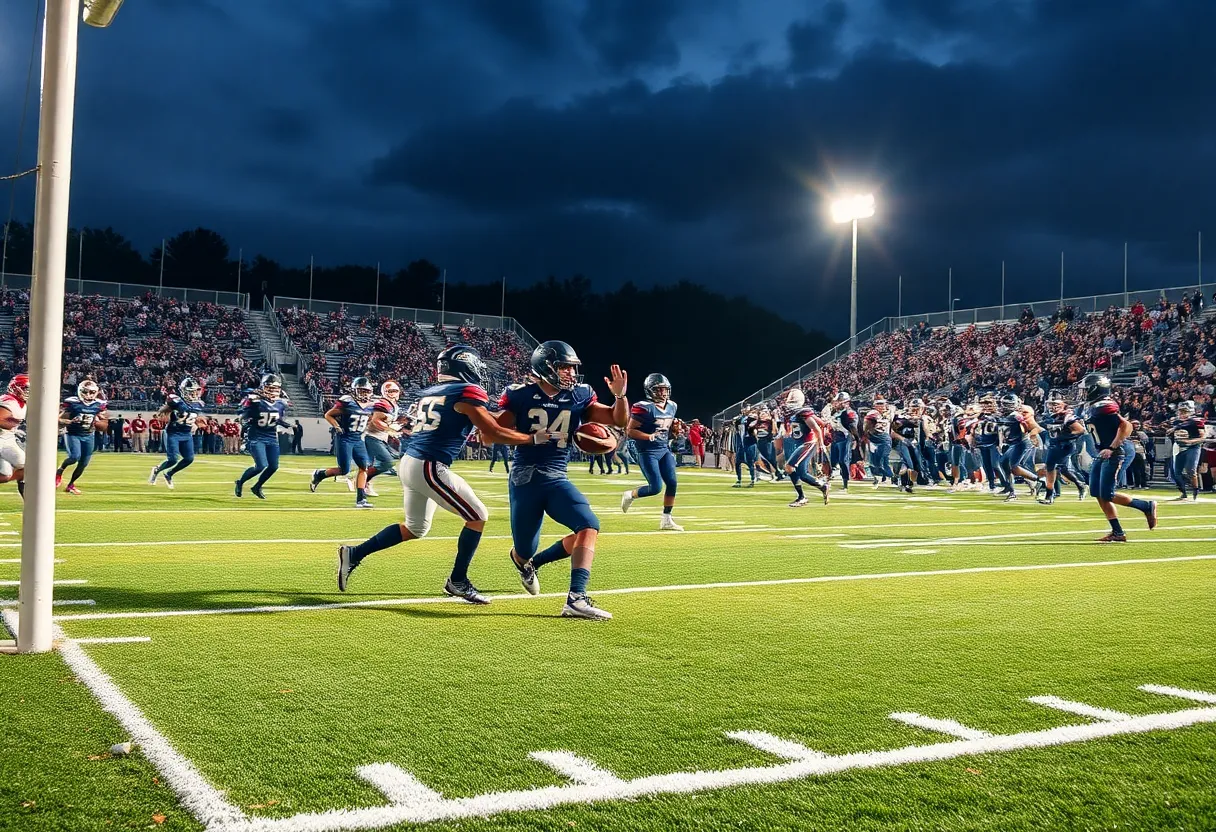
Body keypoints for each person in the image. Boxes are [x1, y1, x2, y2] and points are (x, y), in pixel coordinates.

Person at [337, 345, 548, 602]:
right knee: (478, 516)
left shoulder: (432, 391)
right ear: (464, 365)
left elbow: (482, 418)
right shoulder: (467, 390)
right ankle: (458, 580)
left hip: (411, 461)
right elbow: (490, 432)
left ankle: (354, 553)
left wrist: (513, 415)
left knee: (416, 528)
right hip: (429, 464)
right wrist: (531, 438)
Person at [497, 340, 629, 620]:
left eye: (572, 367)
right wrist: (530, 438)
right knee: (524, 549)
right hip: (525, 478)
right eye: (564, 367)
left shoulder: (580, 395)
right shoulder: (520, 395)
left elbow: (617, 420)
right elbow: (492, 434)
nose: (570, 373)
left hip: (557, 477)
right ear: (545, 367)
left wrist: (620, 397)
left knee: (589, 524)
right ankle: (525, 561)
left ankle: (576, 598)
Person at [1080, 373, 1157, 542]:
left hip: (1114, 452)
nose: (1084, 392)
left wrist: (1112, 447)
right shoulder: (1093, 405)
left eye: (1087, 389)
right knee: (1097, 492)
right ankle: (1118, 532)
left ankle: (1145, 506)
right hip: (1102, 453)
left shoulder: (1105, 404)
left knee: (1107, 493)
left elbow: (1126, 425)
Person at [621, 373, 683, 531]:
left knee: (672, 483)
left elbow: (664, 428)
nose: (662, 393)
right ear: (650, 391)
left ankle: (666, 519)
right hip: (647, 450)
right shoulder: (643, 407)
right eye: (658, 390)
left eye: (664, 390)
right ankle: (631, 494)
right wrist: (649, 437)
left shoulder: (672, 406)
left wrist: (674, 431)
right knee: (655, 487)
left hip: (663, 449)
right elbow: (630, 430)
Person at [310, 377, 376, 508]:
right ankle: (320, 474)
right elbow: (328, 414)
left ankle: (361, 499)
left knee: (364, 468)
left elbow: (369, 420)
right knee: (344, 470)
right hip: (345, 438)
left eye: (366, 391)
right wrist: (337, 426)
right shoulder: (348, 402)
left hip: (358, 439)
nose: (364, 394)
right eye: (361, 391)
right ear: (354, 390)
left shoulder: (371, 405)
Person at [234, 374, 290, 500]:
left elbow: (277, 419)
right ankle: (240, 482)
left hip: (271, 436)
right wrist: (247, 408)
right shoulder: (255, 400)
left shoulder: (281, 403)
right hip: (256, 436)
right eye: (269, 388)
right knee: (260, 465)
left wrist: (287, 424)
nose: (272, 391)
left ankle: (257, 486)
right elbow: (241, 412)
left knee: (273, 466)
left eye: (275, 389)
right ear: (263, 387)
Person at [149, 377, 206, 490]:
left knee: (189, 459)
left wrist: (196, 423)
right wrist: (161, 414)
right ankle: (157, 470)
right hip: (173, 433)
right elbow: (162, 411)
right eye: (191, 391)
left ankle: (169, 474)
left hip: (186, 434)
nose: (194, 393)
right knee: (173, 459)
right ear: (184, 391)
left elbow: (194, 416)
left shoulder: (199, 404)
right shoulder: (176, 401)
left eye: (195, 391)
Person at [56, 380, 107, 494]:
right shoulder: (72, 403)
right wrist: (70, 421)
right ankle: (60, 470)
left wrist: (99, 424)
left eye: (91, 392)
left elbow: (104, 423)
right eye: (85, 392)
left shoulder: (98, 404)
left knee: (83, 463)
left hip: (89, 435)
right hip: (73, 434)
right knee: (74, 457)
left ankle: (71, 485)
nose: (88, 395)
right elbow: (58, 419)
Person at [1036, 391, 1088, 505]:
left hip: (1065, 445)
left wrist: (1064, 437)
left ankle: (1050, 495)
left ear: (1064, 405)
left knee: (1051, 465)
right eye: (1052, 404)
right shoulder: (1052, 417)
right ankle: (1080, 485)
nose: (1054, 407)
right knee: (1062, 469)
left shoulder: (1068, 416)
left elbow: (1080, 430)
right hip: (1055, 445)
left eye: (1056, 405)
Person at [781, 388, 829, 506]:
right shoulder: (795, 414)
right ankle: (823, 487)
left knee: (789, 467)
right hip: (800, 443)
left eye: (791, 400)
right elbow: (821, 423)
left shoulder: (803, 413)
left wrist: (821, 444)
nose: (789, 402)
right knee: (801, 474)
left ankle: (802, 497)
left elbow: (817, 428)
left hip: (808, 443)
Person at [363, 380, 403, 498]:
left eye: (395, 390)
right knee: (387, 462)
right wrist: (390, 430)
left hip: (379, 437)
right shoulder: (383, 403)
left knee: (370, 464)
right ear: (384, 392)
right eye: (390, 391)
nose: (393, 393)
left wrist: (399, 426)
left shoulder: (393, 405)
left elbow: (387, 421)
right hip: (370, 436)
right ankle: (362, 482)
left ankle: (364, 483)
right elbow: (376, 420)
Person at [1167, 400, 1206, 501]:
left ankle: (1195, 490)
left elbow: (1203, 438)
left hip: (1193, 447)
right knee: (1176, 473)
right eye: (1180, 412)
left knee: (1191, 470)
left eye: (1185, 412)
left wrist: (1190, 441)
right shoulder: (1176, 421)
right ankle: (1183, 492)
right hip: (1179, 447)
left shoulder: (1197, 422)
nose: (1182, 414)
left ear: (1190, 412)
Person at [0, 374, 28, 498]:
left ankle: (29, 500)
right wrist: (14, 423)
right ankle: (29, 500)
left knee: (5, 475)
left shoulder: (21, 403)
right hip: (2, 438)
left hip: (7, 438)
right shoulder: (9, 401)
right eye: (26, 389)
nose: (28, 393)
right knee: (28, 466)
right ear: (16, 388)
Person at [827, 392, 857, 490]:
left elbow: (853, 427)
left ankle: (845, 483)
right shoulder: (835, 412)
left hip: (845, 437)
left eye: (839, 401)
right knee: (833, 460)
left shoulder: (849, 412)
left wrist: (855, 439)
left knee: (843, 461)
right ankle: (832, 476)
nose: (837, 403)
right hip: (835, 437)